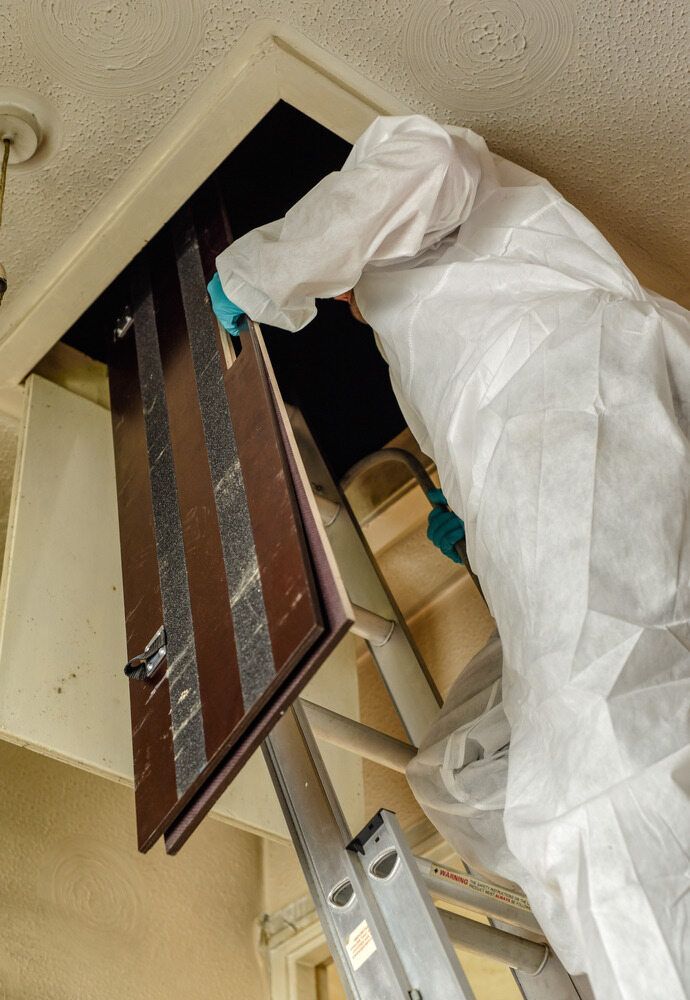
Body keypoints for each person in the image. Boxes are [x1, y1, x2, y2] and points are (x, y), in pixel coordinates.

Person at [208, 115, 690, 1000]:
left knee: (598, 761)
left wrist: (257, 269)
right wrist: (474, 522)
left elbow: (424, 163)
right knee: (463, 777)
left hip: (574, 400)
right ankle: (626, 914)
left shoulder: (410, 175)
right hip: (550, 459)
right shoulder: (407, 315)